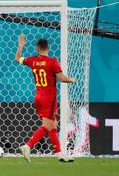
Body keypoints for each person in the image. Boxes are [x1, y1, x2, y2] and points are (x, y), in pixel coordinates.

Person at [14, 34, 75, 163]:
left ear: (37, 49)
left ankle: (59, 154)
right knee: (47, 126)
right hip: (49, 98)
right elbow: (62, 78)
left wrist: (20, 46)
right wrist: (71, 79)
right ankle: (27, 146)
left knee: (53, 125)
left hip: (38, 97)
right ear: (48, 48)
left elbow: (17, 58)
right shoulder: (53, 61)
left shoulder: (33, 60)